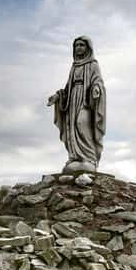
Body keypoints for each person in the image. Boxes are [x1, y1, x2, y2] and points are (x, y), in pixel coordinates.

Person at [48, 36, 106, 173]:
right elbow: (68, 87)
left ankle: (89, 159)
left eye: (82, 45)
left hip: (86, 101)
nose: (79, 48)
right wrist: (57, 96)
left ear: (88, 47)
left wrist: (96, 88)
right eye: (76, 45)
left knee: (82, 124)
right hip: (73, 100)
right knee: (72, 127)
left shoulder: (93, 65)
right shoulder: (74, 67)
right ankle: (75, 157)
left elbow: (98, 81)